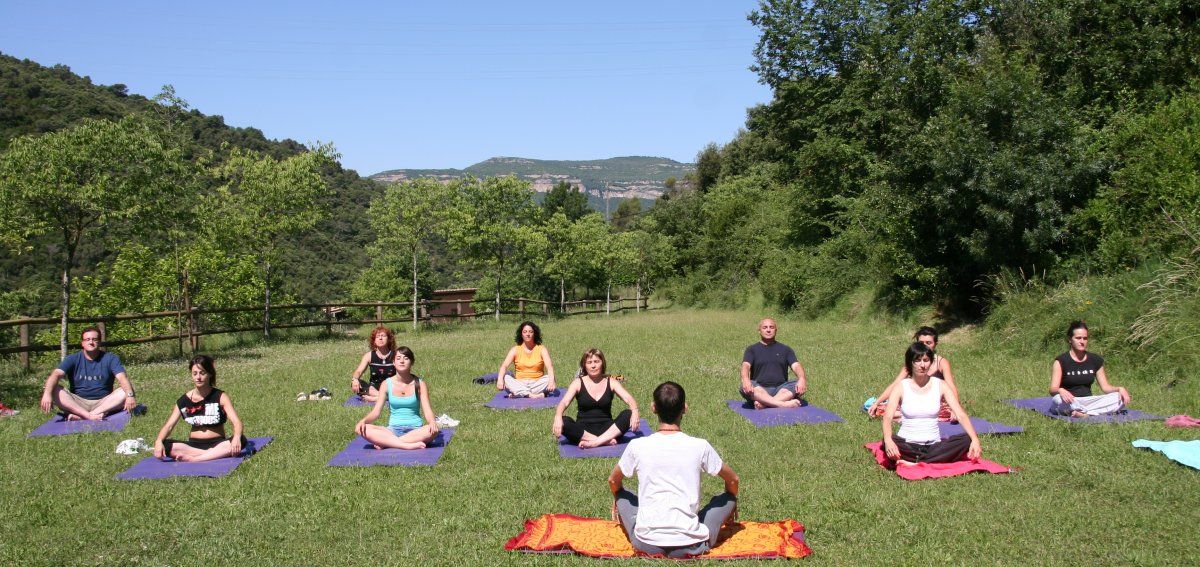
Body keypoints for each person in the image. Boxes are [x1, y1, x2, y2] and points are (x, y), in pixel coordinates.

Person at [609, 381, 740, 558]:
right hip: (691, 544)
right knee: (727, 499)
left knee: (624, 496)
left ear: (653, 408)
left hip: (646, 543)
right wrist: (728, 500)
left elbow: (613, 481)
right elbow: (733, 480)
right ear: (685, 408)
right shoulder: (699, 446)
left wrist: (619, 498)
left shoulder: (637, 446)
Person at [882, 342, 982, 465]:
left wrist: (975, 439)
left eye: (926, 360)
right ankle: (926, 460)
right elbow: (887, 417)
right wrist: (888, 440)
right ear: (910, 363)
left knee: (966, 440)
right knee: (887, 441)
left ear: (931, 363)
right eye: (917, 361)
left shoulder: (941, 385)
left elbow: (960, 414)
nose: (922, 365)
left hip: (933, 446)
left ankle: (914, 462)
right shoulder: (901, 386)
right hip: (907, 444)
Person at [153, 355, 247, 462]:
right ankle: (212, 455)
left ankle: (196, 459)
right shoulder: (184, 401)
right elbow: (169, 426)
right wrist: (158, 441)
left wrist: (236, 438)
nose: (198, 377)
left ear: (210, 374)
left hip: (218, 443)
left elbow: (237, 422)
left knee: (241, 440)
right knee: (165, 445)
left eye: (202, 373)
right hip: (193, 446)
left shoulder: (220, 396)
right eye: (195, 373)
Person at [39, 327, 138, 421]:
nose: (91, 342)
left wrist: (130, 396)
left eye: (94, 339)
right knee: (54, 389)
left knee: (126, 390)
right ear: (82, 343)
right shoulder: (72, 358)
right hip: (78, 402)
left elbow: (122, 378)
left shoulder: (111, 358)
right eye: (87, 339)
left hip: (104, 402)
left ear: (99, 342)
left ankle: (85, 416)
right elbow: (55, 375)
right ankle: (90, 415)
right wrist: (47, 394)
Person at [355, 346, 439, 450]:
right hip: (392, 430)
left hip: (415, 430)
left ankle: (388, 442)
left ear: (411, 362)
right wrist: (363, 421)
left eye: (406, 358)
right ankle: (405, 445)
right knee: (364, 429)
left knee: (432, 430)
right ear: (394, 363)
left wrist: (432, 422)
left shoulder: (420, 384)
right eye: (398, 358)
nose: (402, 361)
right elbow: (376, 412)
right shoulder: (386, 384)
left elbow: (427, 411)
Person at [552, 348, 640, 448]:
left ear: (602, 363)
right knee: (564, 421)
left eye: (596, 361)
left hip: (608, 429)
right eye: (589, 362)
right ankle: (602, 441)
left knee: (628, 414)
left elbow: (628, 398)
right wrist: (558, 417)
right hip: (583, 431)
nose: (593, 365)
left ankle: (594, 442)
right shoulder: (578, 382)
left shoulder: (611, 382)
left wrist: (635, 411)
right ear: (584, 365)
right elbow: (564, 402)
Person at [867, 326, 958, 421]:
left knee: (938, 415)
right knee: (882, 409)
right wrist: (876, 402)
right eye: (921, 342)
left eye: (929, 343)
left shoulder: (942, 363)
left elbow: (951, 386)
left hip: (935, 402)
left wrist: (956, 409)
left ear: (935, 344)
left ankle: (906, 417)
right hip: (915, 399)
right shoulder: (912, 363)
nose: (925, 346)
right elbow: (895, 384)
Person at [1049, 321, 1130, 417]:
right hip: (1070, 401)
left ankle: (1083, 413)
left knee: (1118, 398)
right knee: (1057, 399)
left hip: (1088, 401)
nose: (1082, 341)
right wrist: (1061, 390)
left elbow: (1106, 387)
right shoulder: (1061, 361)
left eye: (1085, 338)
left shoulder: (1095, 360)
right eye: (1078, 338)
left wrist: (1120, 389)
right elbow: (1052, 389)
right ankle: (1090, 412)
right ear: (1070, 339)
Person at [739, 318, 807, 409]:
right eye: (765, 327)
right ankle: (782, 404)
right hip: (759, 389)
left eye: (771, 327)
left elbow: (796, 365)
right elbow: (745, 366)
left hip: (781, 389)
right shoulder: (752, 349)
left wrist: (802, 378)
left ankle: (765, 404)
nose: (768, 330)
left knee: (796, 383)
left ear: (776, 330)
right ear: (759, 331)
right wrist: (745, 379)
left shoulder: (786, 349)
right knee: (743, 386)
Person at [497, 321, 557, 398]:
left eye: (530, 332)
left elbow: (550, 367)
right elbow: (504, 366)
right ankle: (533, 395)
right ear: (521, 334)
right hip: (520, 383)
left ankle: (520, 393)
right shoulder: (515, 349)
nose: (528, 334)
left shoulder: (542, 349)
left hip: (537, 383)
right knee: (505, 377)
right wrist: (499, 380)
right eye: (525, 332)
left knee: (549, 378)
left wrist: (551, 381)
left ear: (534, 333)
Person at [349, 326, 396, 403]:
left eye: (383, 336)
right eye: (377, 337)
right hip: (373, 388)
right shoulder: (369, 355)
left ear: (389, 339)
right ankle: (384, 397)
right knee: (357, 383)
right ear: (374, 341)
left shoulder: (396, 355)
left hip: (391, 387)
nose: (380, 338)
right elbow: (359, 371)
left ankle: (375, 399)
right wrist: (355, 379)